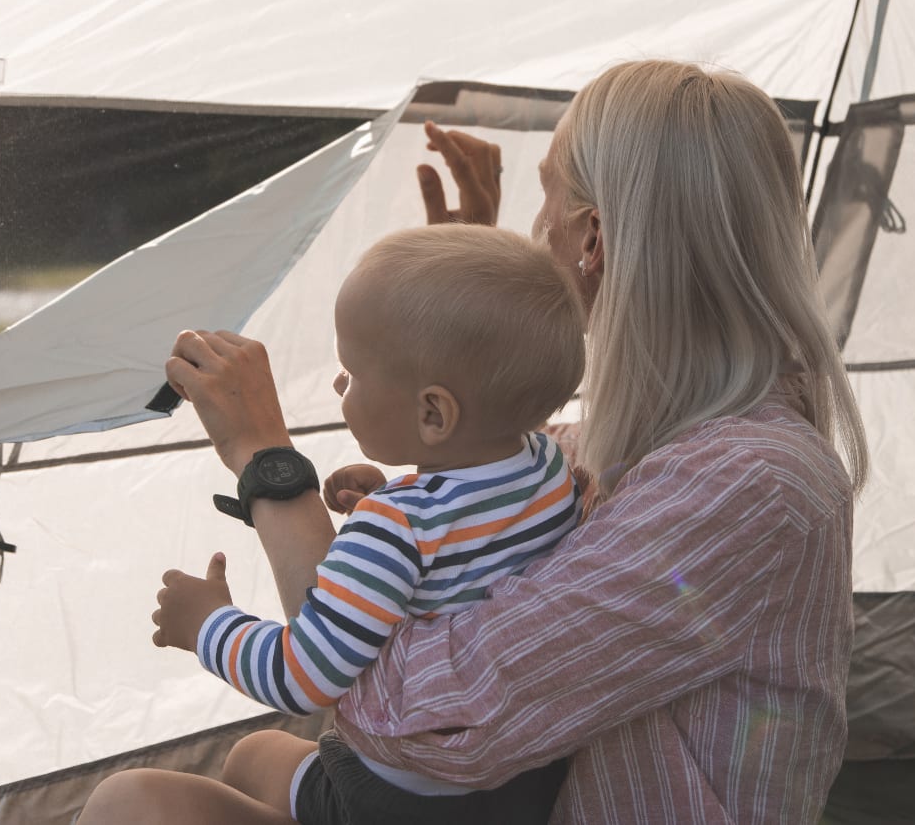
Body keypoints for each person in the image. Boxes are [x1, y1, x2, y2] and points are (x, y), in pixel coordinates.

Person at [91, 58, 867, 825]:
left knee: (133, 807)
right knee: (251, 757)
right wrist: (468, 314)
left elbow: (431, 725)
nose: (537, 231)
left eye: (547, 203)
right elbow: (493, 467)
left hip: (472, 781)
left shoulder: (744, 487)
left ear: (591, 239)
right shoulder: (677, 434)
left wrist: (269, 465)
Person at [80, 225, 587, 825]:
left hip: (399, 803)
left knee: (127, 800)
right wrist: (400, 499)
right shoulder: (546, 463)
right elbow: (475, 543)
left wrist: (208, 625)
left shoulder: (395, 526)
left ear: (433, 413)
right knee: (252, 751)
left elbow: (306, 676)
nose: (338, 382)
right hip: (520, 789)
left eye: (352, 371)